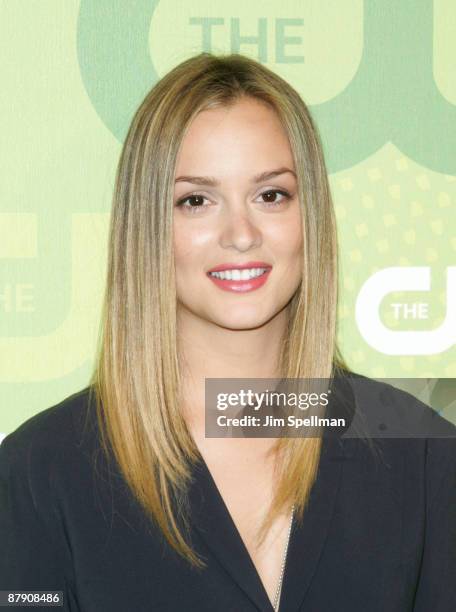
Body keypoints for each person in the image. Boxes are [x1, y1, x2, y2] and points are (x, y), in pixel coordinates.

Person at [0, 52, 455, 612]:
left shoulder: (424, 453)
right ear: (146, 227)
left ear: (309, 213)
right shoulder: (40, 472)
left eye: (271, 195)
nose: (241, 234)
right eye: (196, 200)